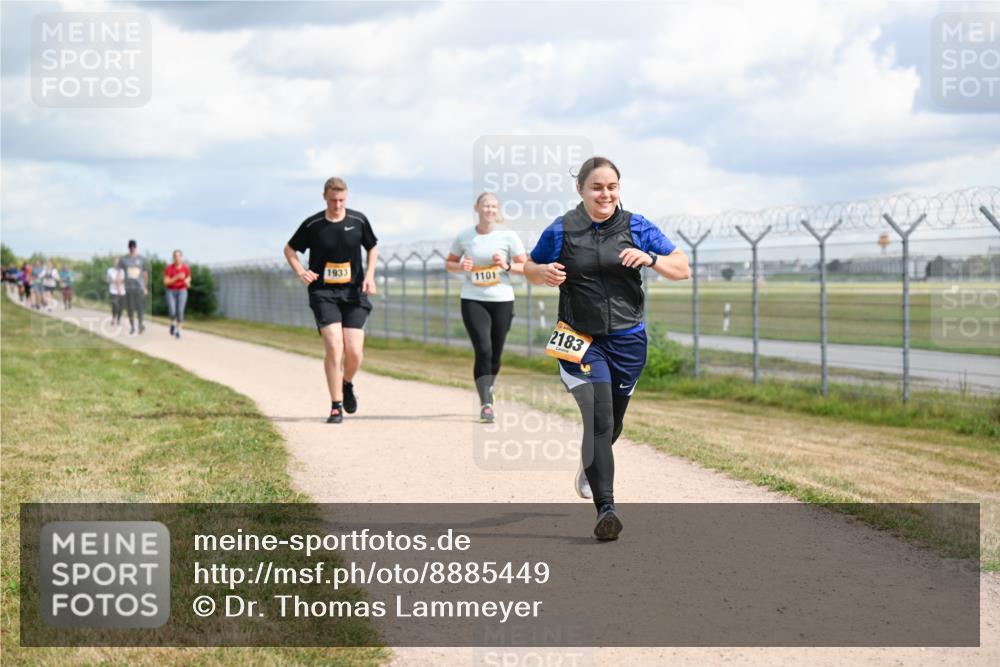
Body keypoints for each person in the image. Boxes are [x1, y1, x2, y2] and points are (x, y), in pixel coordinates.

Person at [524, 157, 690, 541]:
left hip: (628, 341)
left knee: (612, 423)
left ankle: (591, 466)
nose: (605, 194)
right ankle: (607, 509)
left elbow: (682, 267)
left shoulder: (636, 226)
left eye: (611, 187)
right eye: (596, 187)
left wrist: (651, 258)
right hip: (579, 339)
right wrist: (542, 273)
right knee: (599, 417)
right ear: (580, 189)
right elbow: (530, 267)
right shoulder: (562, 229)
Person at [283, 177, 378, 424]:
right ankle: (336, 406)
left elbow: (372, 247)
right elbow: (289, 249)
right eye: (333, 200)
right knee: (335, 346)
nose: (338, 205)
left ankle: (347, 383)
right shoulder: (313, 224)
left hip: (354, 293)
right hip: (323, 293)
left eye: (342, 200)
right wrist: (301, 272)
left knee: (354, 351)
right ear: (324, 197)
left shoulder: (358, 220)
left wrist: (369, 276)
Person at [446, 193, 527, 422]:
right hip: (473, 298)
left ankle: (488, 386)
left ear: (497, 209)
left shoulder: (508, 236)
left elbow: (525, 266)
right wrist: (461, 266)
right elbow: (449, 263)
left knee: (495, 353)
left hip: (502, 299)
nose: (489, 209)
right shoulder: (465, 236)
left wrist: (506, 265)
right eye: (485, 205)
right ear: (477, 208)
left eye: (493, 206)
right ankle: (486, 403)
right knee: (483, 349)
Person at [116, 240, 149, 334]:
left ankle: (140, 324)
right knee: (130, 308)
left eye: (133, 247)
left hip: (139, 287)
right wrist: (118, 287)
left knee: (140, 307)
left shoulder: (142, 259)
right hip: (129, 287)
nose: (132, 249)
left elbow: (145, 274)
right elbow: (119, 273)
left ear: (136, 247)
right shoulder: (123, 259)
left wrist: (145, 287)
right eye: (130, 247)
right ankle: (132, 327)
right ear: (128, 248)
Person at [163, 249, 192, 339]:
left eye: (179, 256)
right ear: (173, 257)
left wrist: (187, 281)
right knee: (172, 311)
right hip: (171, 291)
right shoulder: (169, 268)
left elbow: (188, 279)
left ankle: (178, 331)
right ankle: (172, 324)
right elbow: (166, 282)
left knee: (180, 311)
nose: (177, 258)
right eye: (175, 256)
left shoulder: (186, 268)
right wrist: (177, 277)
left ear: (181, 257)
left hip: (182, 290)